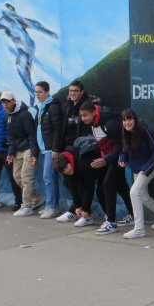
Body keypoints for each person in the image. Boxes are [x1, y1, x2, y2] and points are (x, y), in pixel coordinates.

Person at [77, 101, 132, 234]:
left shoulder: (110, 123)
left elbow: (120, 145)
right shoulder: (93, 122)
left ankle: (111, 222)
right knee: (121, 186)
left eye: (85, 115)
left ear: (94, 113)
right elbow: (103, 142)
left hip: (119, 156)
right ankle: (134, 214)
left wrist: (106, 160)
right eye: (81, 116)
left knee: (107, 185)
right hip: (110, 157)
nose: (83, 119)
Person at [118, 109, 154, 238]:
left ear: (135, 119)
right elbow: (124, 150)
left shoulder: (146, 132)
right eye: (124, 120)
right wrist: (122, 159)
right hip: (137, 168)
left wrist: (147, 168)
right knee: (142, 195)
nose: (127, 123)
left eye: (129, 119)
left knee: (134, 192)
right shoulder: (126, 134)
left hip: (149, 168)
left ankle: (139, 229)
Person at [54, 80, 91, 221]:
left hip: (81, 149)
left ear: (81, 92)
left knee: (81, 181)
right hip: (67, 148)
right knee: (68, 181)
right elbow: (61, 129)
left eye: (76, 91)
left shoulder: (86, 106)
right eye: (71, 91)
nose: (73, 93)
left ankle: (80, 211)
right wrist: (58, 148)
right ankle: (76, 208)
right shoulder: (67, 106)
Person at [1, 91, 39, 217]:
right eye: (3, 102)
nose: (5, 104)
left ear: (13, 101)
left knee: (26, 177)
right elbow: (11, 136)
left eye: (7, 101)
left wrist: (34, 154)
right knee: (17, 176)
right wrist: (10, 152)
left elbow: (32, 134)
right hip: (17, 150)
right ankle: (36, 198)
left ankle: (26, 206)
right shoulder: (7, 116)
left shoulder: (25, 114)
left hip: (28, 149)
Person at [53, 146, 105, 228]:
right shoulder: (66, 168)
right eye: (63, 171)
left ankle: (109, 218)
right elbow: (72, 187)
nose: (66, 171)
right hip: (87, 171)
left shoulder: (83, 162)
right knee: (79, 186)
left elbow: (89, 188)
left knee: (101, 191)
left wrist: (85, 209)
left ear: (68, 162)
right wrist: (77, 206)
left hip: (103, 167)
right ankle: (86, 217)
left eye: (66, 167)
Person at [33, 81, 62, 218]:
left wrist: (55, 148)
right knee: (49, 178)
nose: (37, 94)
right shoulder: (41, 107)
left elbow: (57, 129)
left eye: (40, 92)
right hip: (43, 148)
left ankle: (52, 207)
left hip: (51, 148)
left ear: (47, 92)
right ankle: (51, 205)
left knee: (48, 177)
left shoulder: (53, 107)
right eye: (36, 92)